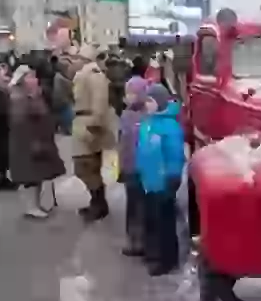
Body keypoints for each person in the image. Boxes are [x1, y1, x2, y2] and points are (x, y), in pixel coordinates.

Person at [136, 84, 185, 276]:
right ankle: (152, 253)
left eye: (150, 101)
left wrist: (173, 177)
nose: (146, 104)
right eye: (146, 100)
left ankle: (167, 260)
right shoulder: (147, 123)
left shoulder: (170, 127)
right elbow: (142, 150)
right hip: (148, 181)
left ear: (160, 102)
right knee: (151, 220)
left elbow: (175, 155)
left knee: (165, 222)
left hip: (164, 183)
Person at [8, 65, 65, 218]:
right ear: (22, 80)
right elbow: (20, 123)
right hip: (29, 143)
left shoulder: (32, 95)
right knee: (30, 177)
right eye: (31, 77)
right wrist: (33, 142)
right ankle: (30, 207)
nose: (35, 80)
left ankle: (35, 205)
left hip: (39, 141)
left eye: (34, 76)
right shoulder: (19, 98)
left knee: (38, 174)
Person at [72, 44, 115, 222]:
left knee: (85, 167)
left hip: (87, 124)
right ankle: (97, 203)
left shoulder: (92, 75)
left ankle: (99, 205)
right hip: (85, 122)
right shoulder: (89, 74)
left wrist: (94, 125)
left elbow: (99, 103)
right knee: (90, 167)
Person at [119, 76, 149, 257]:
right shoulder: (125, 114)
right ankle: (133, 240)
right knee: (132, 206)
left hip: (144, 169)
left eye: (132, 93)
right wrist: (120, 168)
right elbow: (122, 144)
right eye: (127, 93)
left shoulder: (148, 115)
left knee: (143, 207)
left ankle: (143, 241)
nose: (129, 97)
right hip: (129, 169)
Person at [52, 57, 75, 135]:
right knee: (67, 113)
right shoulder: (61, 78)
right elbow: (70, 88)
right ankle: (67, 129)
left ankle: (58, 127)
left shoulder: (57, 76)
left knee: (58, 114)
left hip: (58, 99)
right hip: (62, 100)